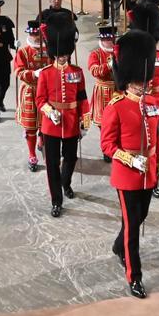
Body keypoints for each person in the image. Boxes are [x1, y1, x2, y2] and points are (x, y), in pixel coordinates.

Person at [101, 30, 159, 299]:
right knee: (133, 225)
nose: (141, 85)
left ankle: (117, 245)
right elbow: (108, 145)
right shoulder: (116, 106)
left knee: (140, 217)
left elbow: (155, 136)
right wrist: (129, 158)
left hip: (148, 172)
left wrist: (152, 160)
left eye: (142, 80)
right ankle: (134, 276)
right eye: (136, 81)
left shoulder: (152, 103)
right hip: (126, 175)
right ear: (127, 80)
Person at [34, 12, 90, 217]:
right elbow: (40, 100)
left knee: (70, 158)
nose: (63, 57)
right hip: (51, 125)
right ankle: (56, 199)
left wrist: (85, 119)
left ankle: (66, 183)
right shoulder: (46, 73)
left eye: (65, 54)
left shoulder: (77, 71)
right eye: (60, 55)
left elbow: (83, 97)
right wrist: (50, 113)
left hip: (72, 122)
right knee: (51, 163)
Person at [127, 3, 159, 199]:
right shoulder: (133, 55)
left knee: (155, 146)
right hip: (135, 107)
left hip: (156, 108)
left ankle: (154, 180)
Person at [14, 20, 51, 171]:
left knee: (46, 122)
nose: (35, 36)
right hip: (30, 91)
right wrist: (34, 74)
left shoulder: (49, 50)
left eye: (37, 33)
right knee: (30, 127)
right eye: (32, 33)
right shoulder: (22, 52)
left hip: (46, 91)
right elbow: (18, 72)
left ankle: (42, 142)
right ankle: (31, 154)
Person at [88, 24, 118, 161]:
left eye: (112, 39)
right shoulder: (96, 54)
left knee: (118, 121)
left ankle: (116, 145)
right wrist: (108, 66)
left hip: (118, 89)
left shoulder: (119, 52)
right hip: (103, 89)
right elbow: (94, 71)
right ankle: (106, 147)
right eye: (108, 39)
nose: (110, 42)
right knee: (103, 123)